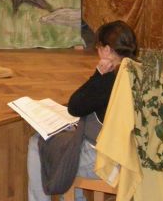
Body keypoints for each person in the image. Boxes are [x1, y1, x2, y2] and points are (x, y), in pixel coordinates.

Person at [27, 20, 139, 201]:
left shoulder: (109, 80)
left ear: (107, 50)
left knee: (38, 144)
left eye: (99, 48)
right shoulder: (142, 73)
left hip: (106, 162)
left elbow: (75, 106)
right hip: (136, 156)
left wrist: (98, 74)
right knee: (66, 146)